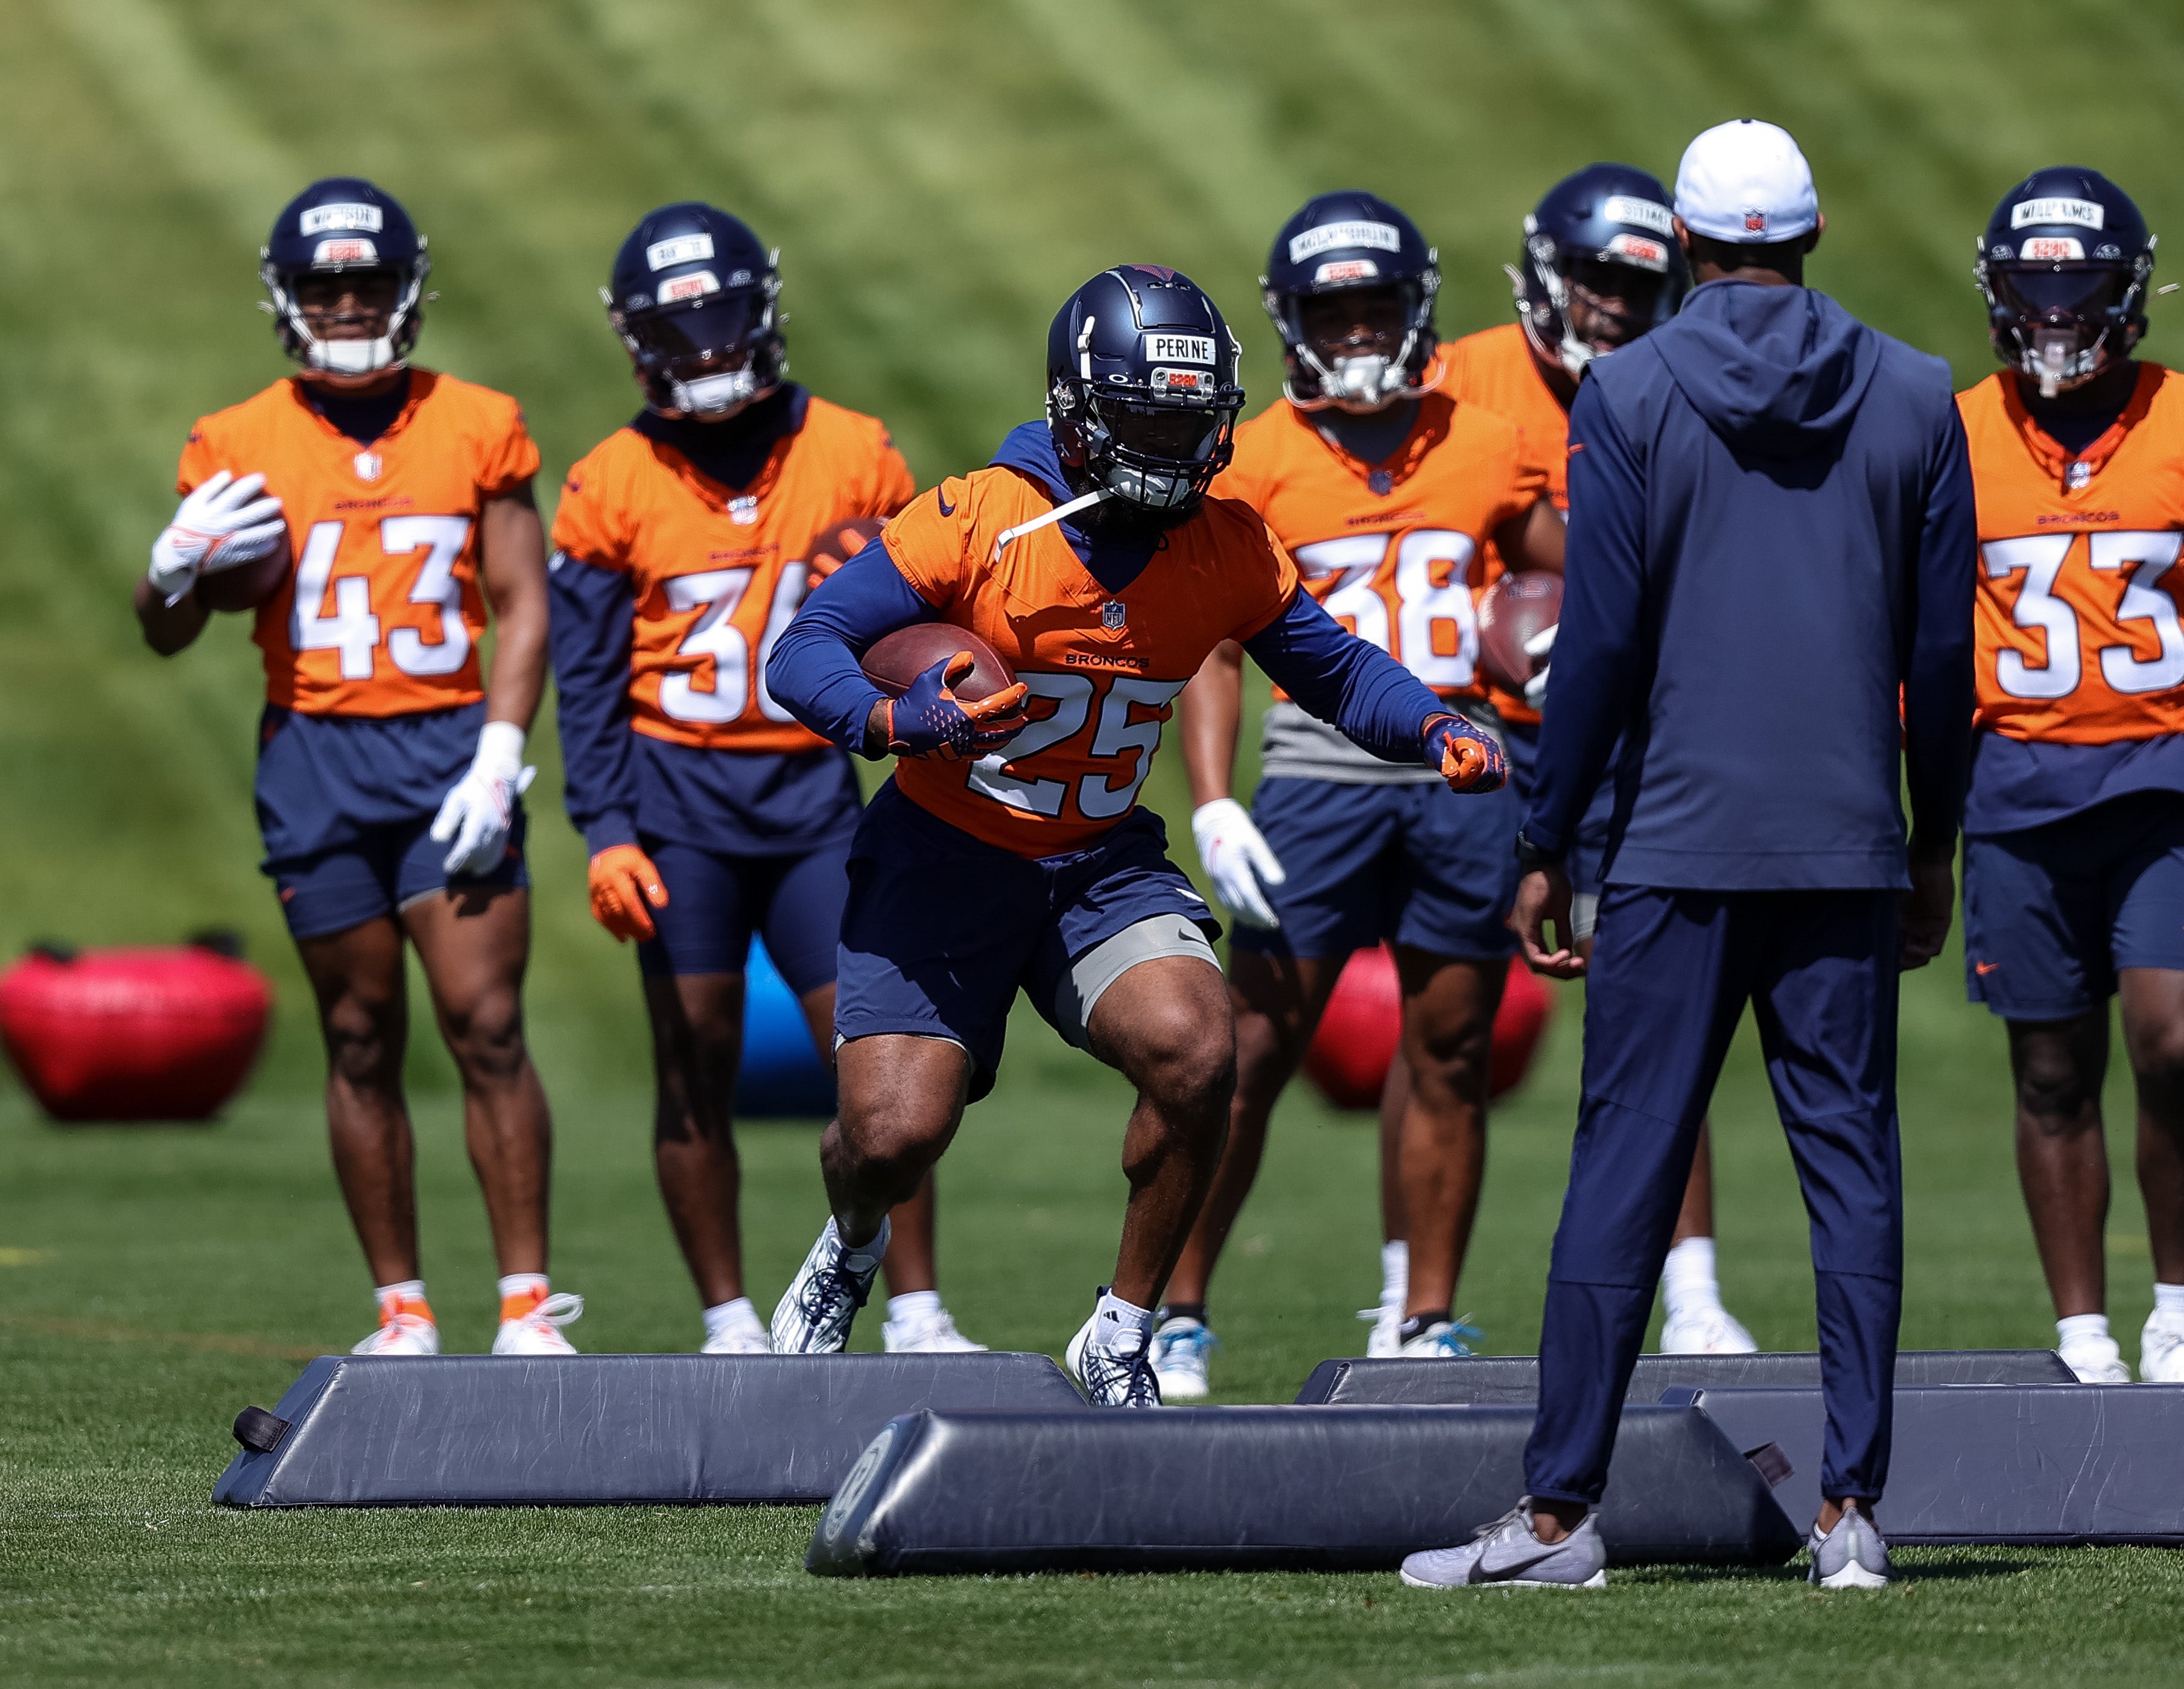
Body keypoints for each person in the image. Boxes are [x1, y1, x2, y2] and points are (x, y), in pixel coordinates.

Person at [761, 265, 1505, 1404]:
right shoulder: (983, 516)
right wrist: (893, 721)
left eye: (1190, 421)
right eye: (1145, 419)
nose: (1172, 447)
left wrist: (1431, 724)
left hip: (1096, 862)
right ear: (1076, 410)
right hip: (943, 853)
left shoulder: (1228, 543)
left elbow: (1335, 668)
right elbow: (807, 645)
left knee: (1199, 1049)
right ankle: (850, 1246)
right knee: (892, 1137)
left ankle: (1121, 1332)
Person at [1402, 119, 1976, 1592]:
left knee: (1624, 1161)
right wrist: (1933, 839)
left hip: (1672, 839)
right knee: (1851, 1165)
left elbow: (1595, 641)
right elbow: (1940, 655)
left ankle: (1557, 1518)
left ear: (1686, 240)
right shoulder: (1919, 392)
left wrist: (1547, 835)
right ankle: (1852, 1512)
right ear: (1812, 232)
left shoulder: (1629, 388)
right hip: (1846, 838)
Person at [133, 178, 580, 1357]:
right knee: (358, 1032)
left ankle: (527, 1304)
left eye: (367, 282)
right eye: (323, 286)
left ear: (407, 290)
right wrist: (170, 571)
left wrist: (499, 753)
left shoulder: (478, 420)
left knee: (487, 1021)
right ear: (287, 298)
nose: (345, 304)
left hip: (446, 748)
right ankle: (402, 1308)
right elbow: (169, 631)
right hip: (314, 754)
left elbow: (524, 598)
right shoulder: (234, 440)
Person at [546, 203, 979, 1356]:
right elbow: (584, 679)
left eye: (722, 318)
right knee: (694, 1055)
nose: (705, 348)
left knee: (884, 1063)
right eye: (677, 329)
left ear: (765, 310)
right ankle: (729, 1317)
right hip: (677, 808)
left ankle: (916, 1307)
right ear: (636, 340)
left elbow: (922, 619)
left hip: (813, 803)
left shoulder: (854, 450)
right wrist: (605, 828)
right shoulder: (607, 481)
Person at [1152, 192, 1561, 1399]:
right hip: (1316, 777)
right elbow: (1214, 643)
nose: (1359, 330)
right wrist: (1214, 800)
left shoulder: (1486, 441)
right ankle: (1176, 1310)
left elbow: (1587, 581)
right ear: (1291, 321)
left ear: (1417, 307)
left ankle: (1423, 1315)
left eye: (1377, 306)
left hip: (1462, 773)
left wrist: (1553, 645)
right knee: (1247, 1049)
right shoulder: (1257, 459)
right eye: (1334, 312)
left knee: (1450, 1049)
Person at [1957, 169, 2184, 1384]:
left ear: (2130, 292)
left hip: (2174, 784)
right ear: (1996, 293)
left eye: (2080, 290)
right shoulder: (1952, 435)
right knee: (2050, 1069)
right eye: (2032, 289)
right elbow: (1911, 636)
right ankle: (2082, 1335)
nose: (2055, 316)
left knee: (2171, 1040)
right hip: (2018, 791)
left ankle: (2177, 1311)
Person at [1440, 163, 1756, 1357]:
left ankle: (1693, 1291)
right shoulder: (1457, 379)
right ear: (1544, 272)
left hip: (1638, 734)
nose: (1614, 304)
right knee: (1447, 1015)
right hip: (1479, 735)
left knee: (1652, 1008)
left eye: (1637, 283)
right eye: (1593, 278)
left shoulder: (1688, 387)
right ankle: (1409, 1301)